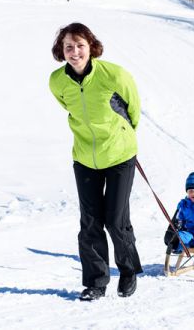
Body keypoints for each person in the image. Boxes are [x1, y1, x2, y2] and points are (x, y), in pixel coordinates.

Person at [49, 22, 142, 301]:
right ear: (61, 50)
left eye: (80, 45)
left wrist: (125, 134)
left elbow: (133, 107)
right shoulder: (57, 81)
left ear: (91, 47)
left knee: (115, 219)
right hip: (84, 157)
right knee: (90, 222)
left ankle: (127, 271)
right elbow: (68, 106)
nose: (75, 52)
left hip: (119, 155)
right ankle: (96, 282)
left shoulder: (113, 75)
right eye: (69, 46)